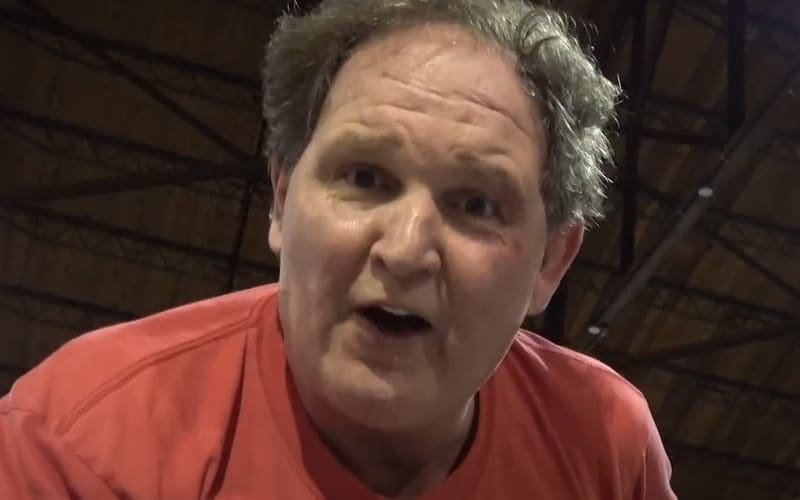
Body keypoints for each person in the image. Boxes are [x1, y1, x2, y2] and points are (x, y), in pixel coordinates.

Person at [0, 0, 678, 498]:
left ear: (551, 262)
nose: (406, 251)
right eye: (364, 178)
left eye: (476, 205)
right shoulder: (80, 443)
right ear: (282, 198)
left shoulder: (605, 447)